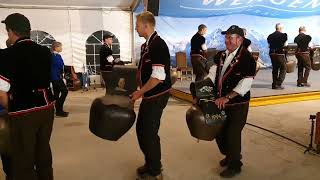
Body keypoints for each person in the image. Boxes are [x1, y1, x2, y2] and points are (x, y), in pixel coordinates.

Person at [0, 13, 55, 180]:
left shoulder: (7, 55)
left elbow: (2, 92)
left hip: (23, 111)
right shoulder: (45, 51)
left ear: (10, 31)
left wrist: (11, 110)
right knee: (43, 151)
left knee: (23, 157)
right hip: (47, 107)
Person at [206, 25, 256, 178]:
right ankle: (230, 155)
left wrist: (227, 97)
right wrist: (202, 90)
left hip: (237, 104)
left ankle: (235, 165)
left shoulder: (248, 59)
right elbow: (213, 74)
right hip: (220, 102)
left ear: (240, 40)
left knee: (232, 134)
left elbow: (245, 85)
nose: (227, 40)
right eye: (226, 37)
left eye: (230, 37)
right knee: (219, 132)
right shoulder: (220, 55)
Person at [131, 11, 172, 180]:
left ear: (146, 26)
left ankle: (155, 171)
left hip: (157, 95)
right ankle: (150, 162)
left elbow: (157, 77)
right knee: (142, 130)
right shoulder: (146, 45)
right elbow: (145, 71)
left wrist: (139, 92)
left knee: (149, 132)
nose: (135, 28)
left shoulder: (158, 45)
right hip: (149, 94)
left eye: (137, 25)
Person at [267, 23, 288, 89]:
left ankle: (274, 84)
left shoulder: (270, 36)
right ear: (281, 28)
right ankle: (278, 83)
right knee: (284, 68)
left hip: (272, 53)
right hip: (279, 53)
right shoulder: (284, 35)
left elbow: (269, 44)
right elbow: (285, 45)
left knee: (275, 68)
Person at [51, 41, 69, 117]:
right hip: (55, 77)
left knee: (56, 94)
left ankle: (58, 110)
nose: (61, 48)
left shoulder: (57, 55)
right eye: (60, 46)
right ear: (56, 47)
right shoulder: (53, 56)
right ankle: (59, 108)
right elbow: (59, 65)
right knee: (65, 91)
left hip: (57, 76)